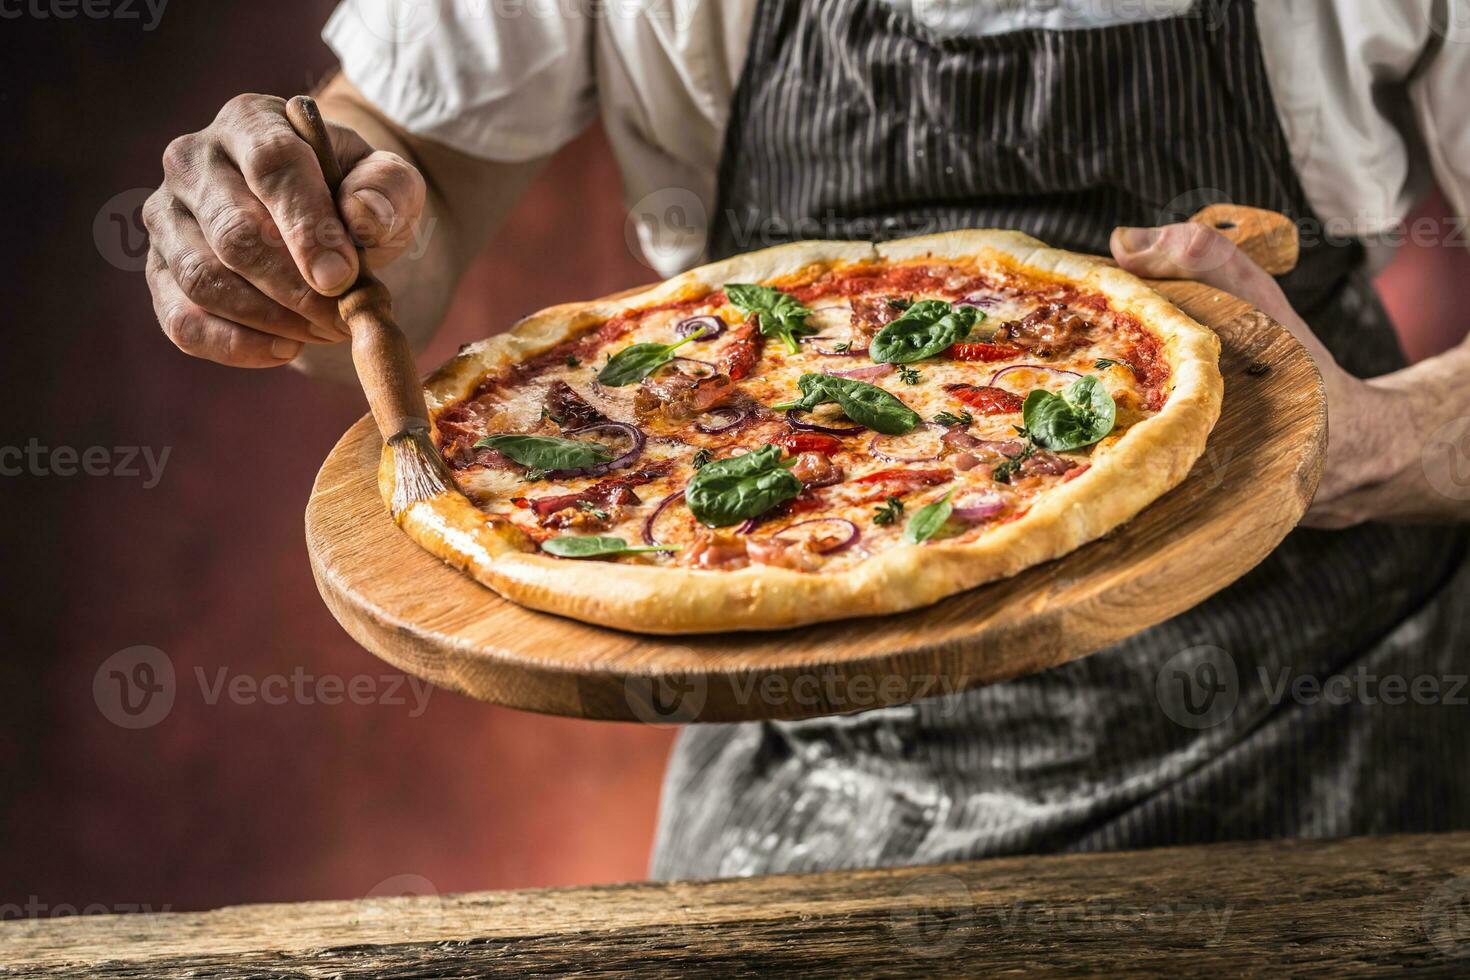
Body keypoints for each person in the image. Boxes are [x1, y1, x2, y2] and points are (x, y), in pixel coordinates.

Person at [143, 0, 1470, 877]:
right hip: (809, 765)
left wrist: (1362, 441)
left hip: (1331, 728)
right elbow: (391, 207)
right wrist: (295, 230)